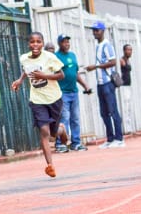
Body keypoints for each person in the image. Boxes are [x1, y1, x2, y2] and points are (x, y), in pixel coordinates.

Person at [10, 31, 66, 178]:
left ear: (42, 43)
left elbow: (61, 75)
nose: (35, 44)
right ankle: (50, 166)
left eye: (38, 42)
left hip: (54, 99)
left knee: (53, 134)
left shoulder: (49, 57)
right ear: (28, 44)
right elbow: (26, 70)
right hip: (37, 100)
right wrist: (20, 80)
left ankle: (61, 130)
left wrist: (44, 76)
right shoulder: (24, 58)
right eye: (32, 42)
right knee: (44, 131)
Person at [86, 21, 125, 148]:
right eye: (93, 30)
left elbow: (113, 62)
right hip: (100, 84)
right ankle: (110, 138)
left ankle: (119, 138)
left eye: (97, 30)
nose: (95, 33)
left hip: (108, 83)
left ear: (103, 31)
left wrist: (95, 66)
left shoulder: (107, 45)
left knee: (113, 111)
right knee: (104, 113)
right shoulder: (98, 45)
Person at [53, 34, 92, 152]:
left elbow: (76, 73)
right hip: (62, 92)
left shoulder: (73, 55)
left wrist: (85, 85)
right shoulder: (56, 57)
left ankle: (76, 143)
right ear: (59, 43)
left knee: (75, 118)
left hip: (74, 92)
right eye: (64, 42)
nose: (67, 44)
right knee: (64, 118)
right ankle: (60, 144)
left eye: (68, 42)